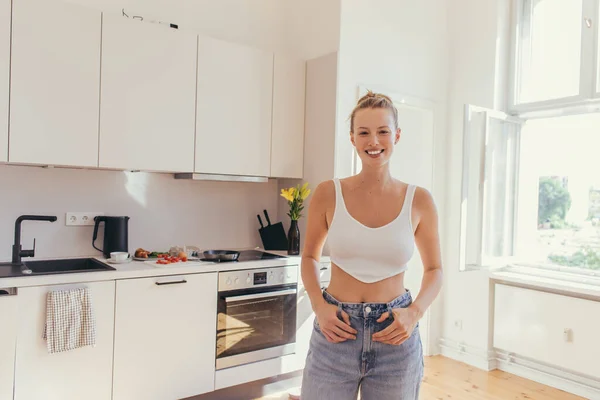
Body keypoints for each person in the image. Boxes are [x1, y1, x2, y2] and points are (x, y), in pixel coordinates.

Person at [299, 91, 443, 399]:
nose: (373, 141)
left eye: (382, 132)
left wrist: (415, 312)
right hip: (335, 332)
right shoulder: (328, 194)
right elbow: (310, 256)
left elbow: (434, 269)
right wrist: (318, 306)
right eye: (363, 132)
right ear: (352, 138)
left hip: (395, 335)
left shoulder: (419, 201)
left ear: (397, 135)